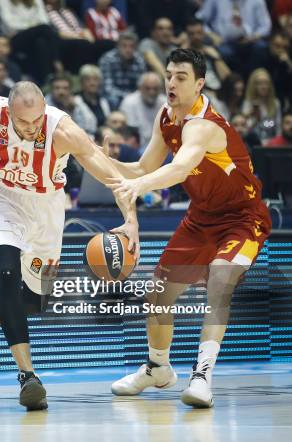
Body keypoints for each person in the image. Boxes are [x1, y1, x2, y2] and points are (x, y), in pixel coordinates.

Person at [0, 81, 139, 410]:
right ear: (10, 113)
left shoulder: (63, 130)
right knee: (7, 274)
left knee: (35, 301)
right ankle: (28, 376)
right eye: (23, 122)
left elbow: (109, 173)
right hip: (1, 199)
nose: (31, 128)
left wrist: (131, 219)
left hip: (47, 209)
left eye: (37, 120)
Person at [107, 49, 271, 408]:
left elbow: (179, 169)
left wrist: (142, 186)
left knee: (220, 281)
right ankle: (157, 368)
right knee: (159, 292)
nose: (171, 83)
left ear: (199, 84)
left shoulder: (205, 124)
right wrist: (97, 156)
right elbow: (142, 166)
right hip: (202, 218)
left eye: (181, 77)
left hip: (243, 219)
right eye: (168, 75)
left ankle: (201, 377)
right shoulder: (165, 118)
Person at [0, 0, 62, 85]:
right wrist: (33, 27)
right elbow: (10, 24)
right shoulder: (4, 1)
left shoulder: (37, 1)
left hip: (36, 36)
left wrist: (33, 28)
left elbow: (44, 20)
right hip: (14, 38)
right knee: (45, 29)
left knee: (40, 43)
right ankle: (56, 61)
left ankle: (45, 80)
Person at [99, 31, 147, 109]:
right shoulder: (107, 59)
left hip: (134, 96)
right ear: (118, 46)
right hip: (114, 96)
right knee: (113, 100)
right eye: (124, 46)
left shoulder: (139, 60)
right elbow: (108, 88)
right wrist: (128, 97)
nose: (128, 50)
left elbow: (142, 85)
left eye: (131, 46)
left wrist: (134, 97)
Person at [119, 72, 166, 148]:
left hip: (160, 145)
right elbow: (131, 133)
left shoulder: (165, 103)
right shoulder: (129, 102)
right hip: (138, 145)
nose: (152, 92)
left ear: (160, 89)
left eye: (155, 89)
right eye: (148, 88)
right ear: (140, 88)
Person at [183, 18, 231, 93]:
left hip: (219, 90)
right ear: (187, 35)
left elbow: (228, 78)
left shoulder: (211, 51)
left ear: (204, 33)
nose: (196, 36)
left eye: (199, 33)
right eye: (192, 34)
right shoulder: (183, 54)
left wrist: (217, 58)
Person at [241, 68, 282, 144]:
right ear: (253, 85)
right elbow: (245, 130)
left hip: (271, 144)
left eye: (266, 83)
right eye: (259, 83)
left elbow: (278, 128)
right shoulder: (247, 103)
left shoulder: (275, 103)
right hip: (253, 144)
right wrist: (254, 118)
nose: (263, 86)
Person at [78, 64, 111, 129]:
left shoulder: (103, 101)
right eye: (88, 80)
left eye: (95, 79)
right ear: (81, 82)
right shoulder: (76, 101)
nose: (92, 83)